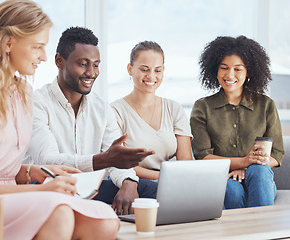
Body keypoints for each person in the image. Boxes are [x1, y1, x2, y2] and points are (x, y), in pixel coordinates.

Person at [0, 1, 119, 239]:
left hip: (7, 196)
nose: (43, 57)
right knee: (59, 212)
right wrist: (42, 193)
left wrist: (33, 172)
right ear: (9, 42)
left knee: (103, 221)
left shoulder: (22, 92)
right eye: (37, 47)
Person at [26, 27, 158, 215]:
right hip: (47, 188)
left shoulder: (101, 107)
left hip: (88, 190)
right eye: (83, 64)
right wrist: (103, 160)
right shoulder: (36, 102)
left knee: (150, 190)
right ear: (59, 61)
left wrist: (129, 183)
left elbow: (115, 158)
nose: (91, 72)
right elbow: (47, 160)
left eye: (96, 65)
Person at [190, 35, 285, 209]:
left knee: (259, 170)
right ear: (215, 70)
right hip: (223, 178)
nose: (230, 75)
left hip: (259, 178)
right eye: (224, 68)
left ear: (248, 72)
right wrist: (242, 162)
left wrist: (247, 168)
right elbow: (203, 156)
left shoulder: (266, 105)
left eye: (238, 69)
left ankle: (263, 234)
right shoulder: (202, 107)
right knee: (231, 190)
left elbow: (276, 155)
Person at [111, 41, 193, 180]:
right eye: (144, 69)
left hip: (173, 183)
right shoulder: (115, 111)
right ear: (130, 69)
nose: (151, 76)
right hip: (135, 183)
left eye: (157, 70)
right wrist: (163, 177)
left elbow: (185, 159)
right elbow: (120, 163)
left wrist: (172, 179)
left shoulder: (174, 109)